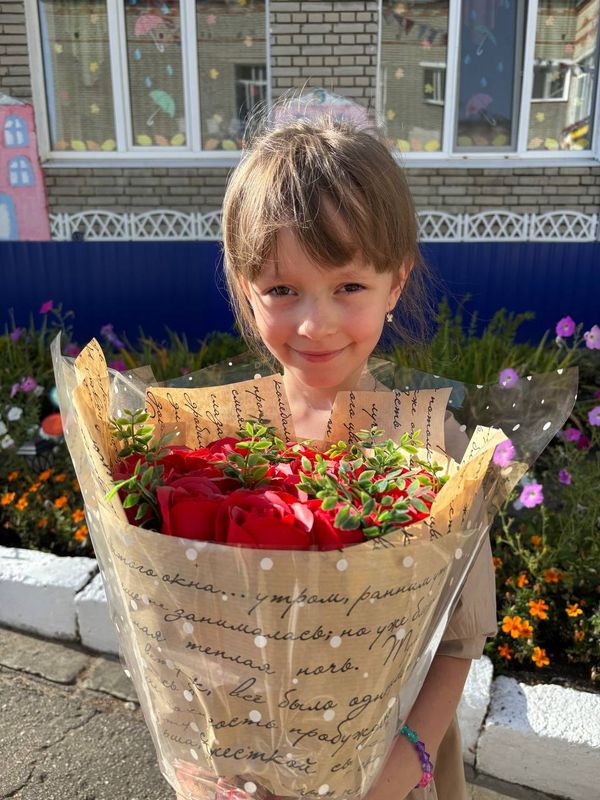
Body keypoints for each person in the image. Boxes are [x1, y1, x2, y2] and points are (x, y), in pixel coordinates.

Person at [218, 88, 497, 800]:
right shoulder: (218, 440)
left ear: (395, 282)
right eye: (283, 289)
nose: (316, 325)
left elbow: (460, 638)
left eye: (348, 286)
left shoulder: (430, 441)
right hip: (248, 759)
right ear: (245, 288)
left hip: (391, 756)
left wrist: (405, 763)